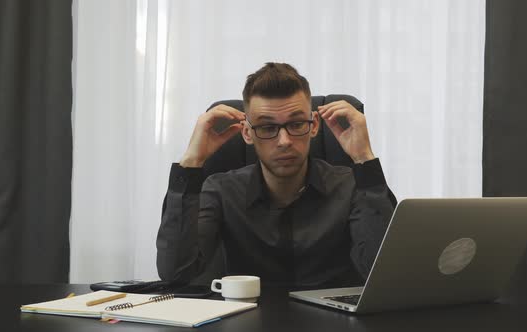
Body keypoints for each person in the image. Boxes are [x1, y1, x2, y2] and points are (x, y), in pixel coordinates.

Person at [156, 63, 396, 289]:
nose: (284, 142)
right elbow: (177, 274)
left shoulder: (351, 185)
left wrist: (364, 158)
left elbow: (384, 275)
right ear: (247, 134)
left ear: (313, 127)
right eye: (268, 127)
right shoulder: (221, 189)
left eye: (297, 124)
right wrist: (191, 161)